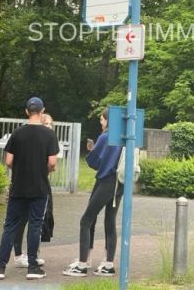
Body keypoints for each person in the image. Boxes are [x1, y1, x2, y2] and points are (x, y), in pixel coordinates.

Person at [0, 98, 59, 281]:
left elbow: (8, 161)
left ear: (26, 111)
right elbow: (53, 163)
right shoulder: (49, 135)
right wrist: (42, 170)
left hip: (18, 187)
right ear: (42, 110)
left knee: (10, 226)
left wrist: (21, 169)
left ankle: (0, 267)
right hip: (39, 188)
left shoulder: (17, 133)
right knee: (35, 226)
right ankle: (33, 267)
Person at [63, 108, 123, 277]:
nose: (101, 122)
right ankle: (108, 264)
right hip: (119, 184)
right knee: (110, 223)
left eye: (102, 119)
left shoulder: (105, 137)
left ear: (108, 120)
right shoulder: (123, 138)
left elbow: (95, 162)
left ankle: (82, 264)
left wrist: (92, 149)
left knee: (86, 220)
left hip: (105, 182)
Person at [12, 113, 55, 268]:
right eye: (46, 123)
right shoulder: (31, 138)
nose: (49, 126)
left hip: (41, 183)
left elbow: (51, 164)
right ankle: (19, 255)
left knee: (39, 220)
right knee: (22, 219)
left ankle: (33, 254)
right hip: (27, 185)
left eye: (51, 124)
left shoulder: (48, 140)